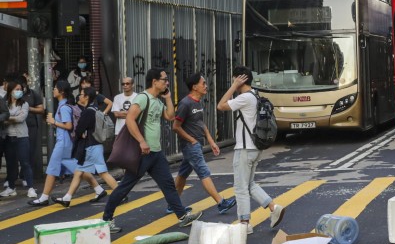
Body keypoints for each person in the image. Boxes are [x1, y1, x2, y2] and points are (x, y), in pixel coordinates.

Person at [99, 68, 203, 233]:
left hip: (156, 153)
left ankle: (182, 216)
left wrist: (168, 97)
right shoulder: (143, 98)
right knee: (126, 185)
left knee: (168, 184)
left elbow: (170, 116)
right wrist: (141, 141)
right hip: (143, 153)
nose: (166, 82)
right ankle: (106, 219)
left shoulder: (157, 100)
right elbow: (130, 120)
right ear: (154, 82)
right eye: (164, 79)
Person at [216, 66, 287, 233]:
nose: (233, 82)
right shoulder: (255, 94)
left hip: (245, 148)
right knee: (249, 185)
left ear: (240, 79)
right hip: (255, 148)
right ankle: (273, 207)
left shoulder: (245, 97)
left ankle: (244, 223)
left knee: (240, 187)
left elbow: (221, 105)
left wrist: (233, 87)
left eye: (235, 79)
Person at [172, 73, 235, 214]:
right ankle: (221, 202)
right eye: (203, 83)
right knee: (204, 172)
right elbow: (176, 126)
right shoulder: (185, 103)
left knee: (182, 174)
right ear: (194, 87)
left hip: (197, 144)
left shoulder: (197, 102)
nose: (206, 86)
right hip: (191, 146)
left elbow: (200, 123)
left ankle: (173, 204)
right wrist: (192, 140)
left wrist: (211, 141)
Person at [51, 88, 117, 207]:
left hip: (92, 146)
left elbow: (79, 128)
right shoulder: (95, 109)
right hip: (93, 145)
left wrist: (78, 133)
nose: (79, 96)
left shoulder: (88, 112)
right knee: (78, 172)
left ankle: (119, 195)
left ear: (86, 97)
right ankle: (67, 198)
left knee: (103, 173)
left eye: (81, 94)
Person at [28, 80, 77, 206]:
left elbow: (69, 126)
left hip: (63, 143)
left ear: (61, 91)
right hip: (64, 142)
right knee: (78, 170)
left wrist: (54, 122)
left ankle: (44, 198)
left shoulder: (64, 107)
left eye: (55, 88)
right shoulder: (63, 105)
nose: (53, 90)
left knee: (51, 169)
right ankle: (99, 189)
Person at [0, 80, 31, 198]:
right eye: (16, 89)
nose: (19, 91)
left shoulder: (24, 104)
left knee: (25, 162)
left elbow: (21, 118)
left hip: (21, 136)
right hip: (7, 136)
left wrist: (7, 119)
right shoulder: (5, 102)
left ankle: (31, 187)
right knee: (11, 164)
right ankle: (11, 187)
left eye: (20, 89)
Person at [21, 71, 44, 182]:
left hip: (31, 126)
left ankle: (25, 176)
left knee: (29, 151)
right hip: (15, 127)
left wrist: (28, 108)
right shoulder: (11, 94)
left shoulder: (33, 94)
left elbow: (41, 109)